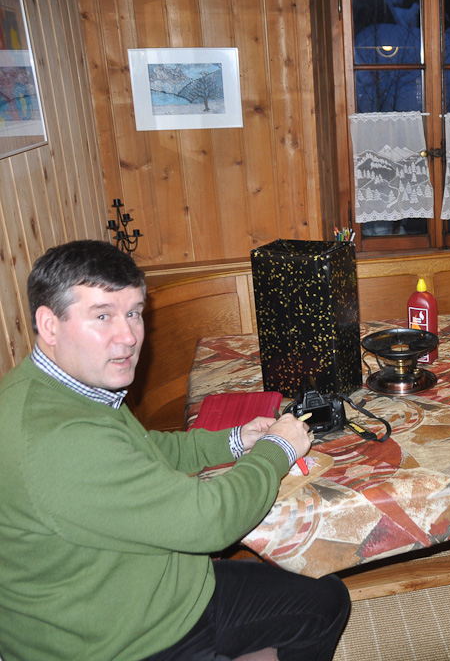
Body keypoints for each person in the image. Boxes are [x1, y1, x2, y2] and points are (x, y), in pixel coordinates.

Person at [0, 240, 350, 661]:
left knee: (325, 600)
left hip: (161, 591)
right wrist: (277, 449)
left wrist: (236, 440)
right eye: (103, 315)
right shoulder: (58, 439)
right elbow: (211, 520)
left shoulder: (59, 386)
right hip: (121, 643)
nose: (128, 337)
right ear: (49, 324)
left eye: (133, 313)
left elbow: (143, 447)